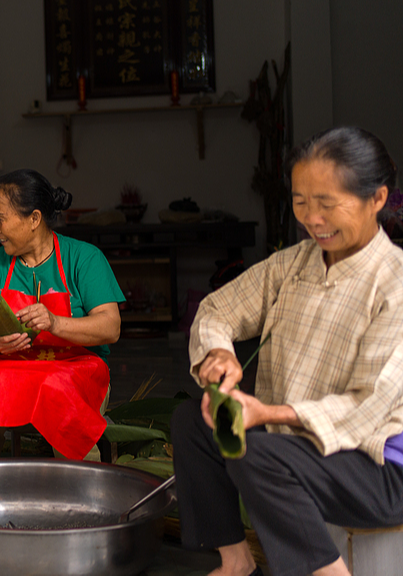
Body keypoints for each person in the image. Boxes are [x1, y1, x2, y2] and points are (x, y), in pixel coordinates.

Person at [172, 127, 403, 576]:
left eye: (327, 203)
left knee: (257, 453)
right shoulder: (293, 263)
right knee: (193, 421)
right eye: (301, 202)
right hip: (296, 448)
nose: (312, 218)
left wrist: (269, 414)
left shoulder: (394, 284)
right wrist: (219, 355)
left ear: (376, 199)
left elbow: (369, 405)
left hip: (375, 469)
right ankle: (236, 561)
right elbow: (219, 309)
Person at [0, 169, 124, 461]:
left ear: (34, 219)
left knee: (57, 388)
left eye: (0, 218)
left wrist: (55, 323)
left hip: (77, 367)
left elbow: (111, 327)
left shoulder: (83, 258)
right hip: (14, 365)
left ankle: (81, 484)